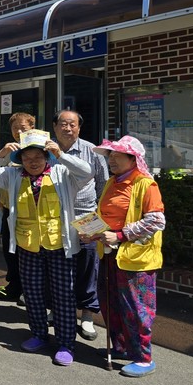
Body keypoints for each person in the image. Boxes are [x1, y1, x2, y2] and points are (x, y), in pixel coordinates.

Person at [0, 136, 93, 366]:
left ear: (47, 157)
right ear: (20, 160)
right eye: (27, 158)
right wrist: (1, 154)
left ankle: (65, 343)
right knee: (32, 294)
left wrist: (62, 155)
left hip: (60, 245)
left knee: (63, 295)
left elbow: (87, 172)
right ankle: (39, 334)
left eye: (38, 157)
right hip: (28, 245)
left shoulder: (63, 173)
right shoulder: (13, 175)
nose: (32, 162)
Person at [88, 136, 165, 378]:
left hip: (136, 259)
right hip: (109, 254)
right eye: (109, 156)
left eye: (117, 156)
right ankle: (121, 347)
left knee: (136, 308)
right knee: (110, 302)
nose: (111, 160)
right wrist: (92, 231)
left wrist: (120, 235)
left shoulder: (146, 184)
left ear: (133, 159)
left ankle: (143, 358)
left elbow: (156, 221)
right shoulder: (113, 182)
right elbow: (106, 215)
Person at [52, 109, 109, 341]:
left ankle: (87, 314)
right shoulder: (45, 150)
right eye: (63, 124)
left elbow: (103, 185)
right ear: (54, 127)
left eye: (72, 124)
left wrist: (97, 218)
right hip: (55, 218)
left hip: (86, 217)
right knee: (58, 267)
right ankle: (58, 309)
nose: (68, 128)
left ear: (79, 127)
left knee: (88, 266)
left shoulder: (91, 151)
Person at [0, 112, 36, 302]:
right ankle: (14, 286)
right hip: (9, 208)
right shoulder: (10, 149)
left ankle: (28, 291)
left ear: (32, 127)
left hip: (30, 210)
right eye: (15, 128)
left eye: (23, 127)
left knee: (28, 251)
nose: (18, 131)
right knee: (9, 249)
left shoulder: (39, 148)